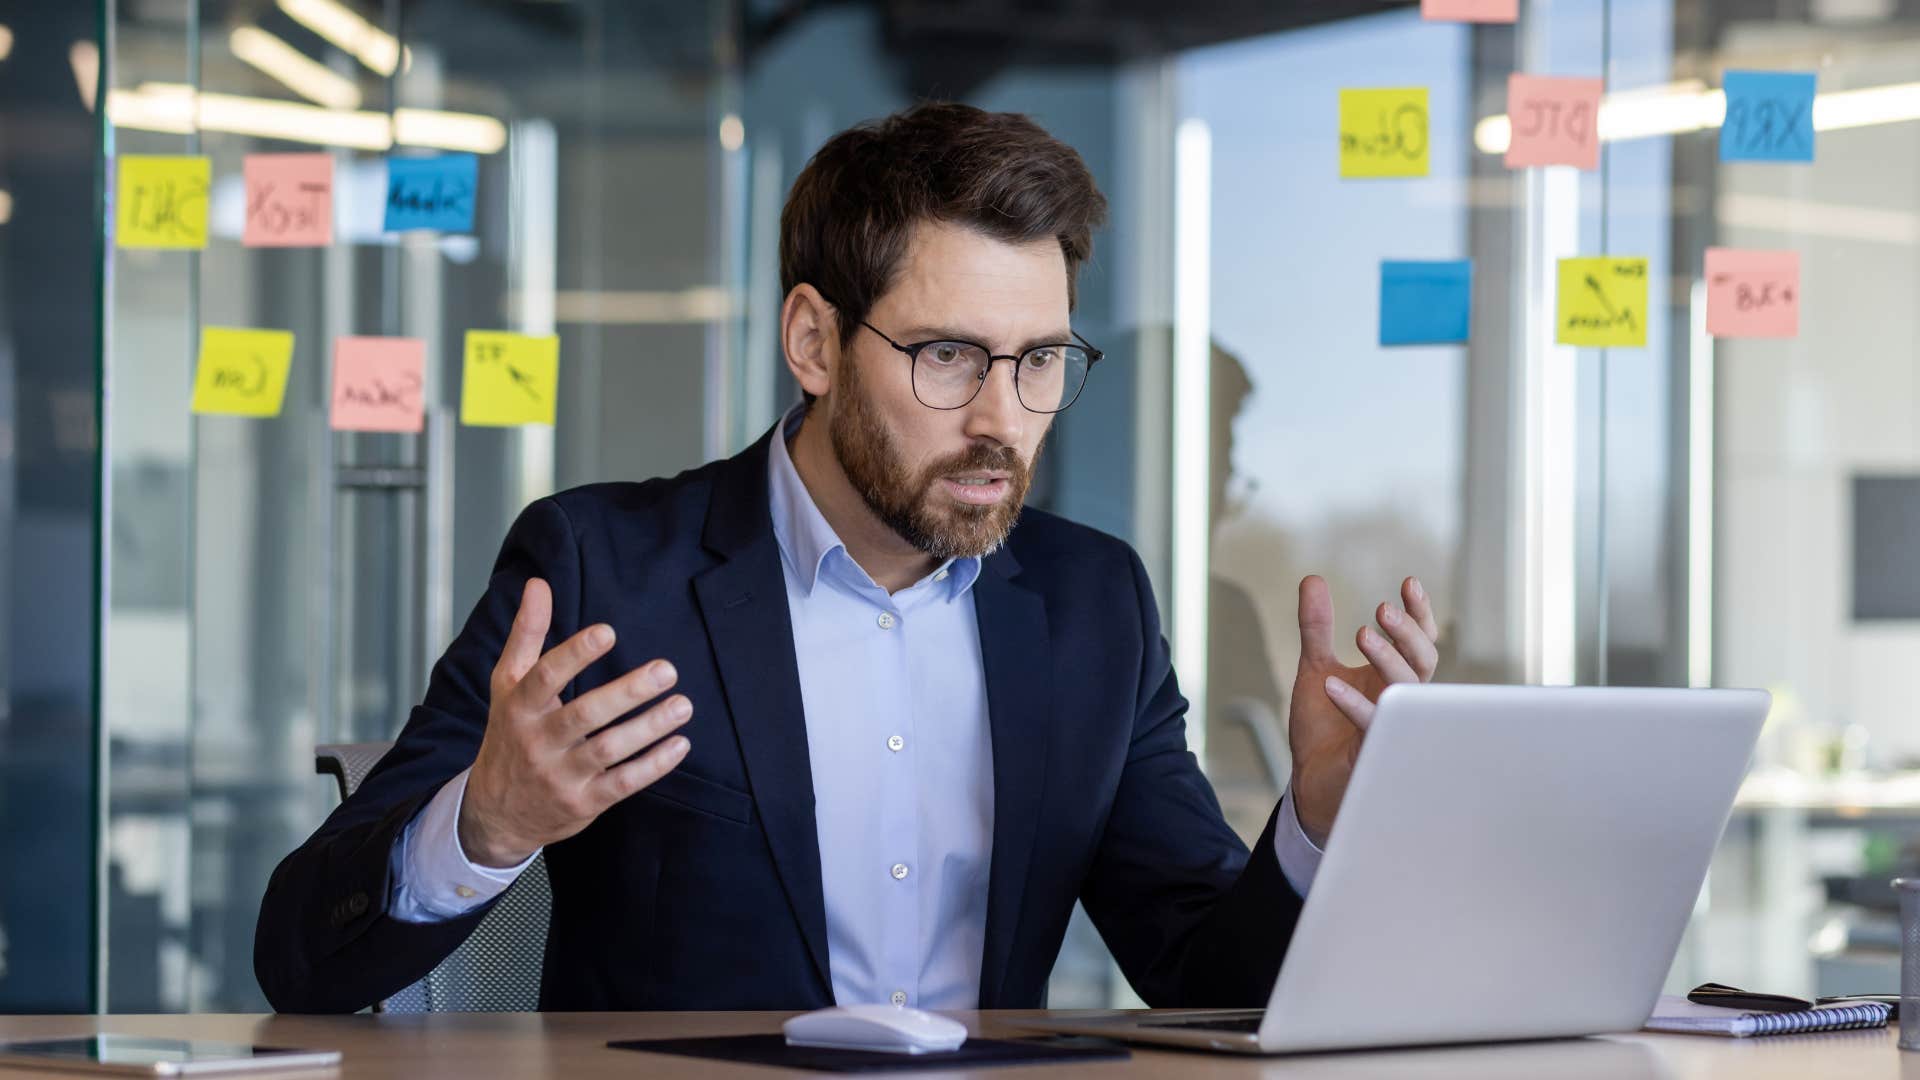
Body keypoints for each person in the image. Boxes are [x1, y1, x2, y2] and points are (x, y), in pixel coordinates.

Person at [254, 102, 1441, 1014]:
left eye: (1039, 361)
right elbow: (301, 959)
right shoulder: (606, 567)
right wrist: (488, 824)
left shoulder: (1092, 608)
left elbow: (1205, 978)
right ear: (814, 341)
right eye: (947, 357)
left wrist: (1321, 824)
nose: (1002, 420)